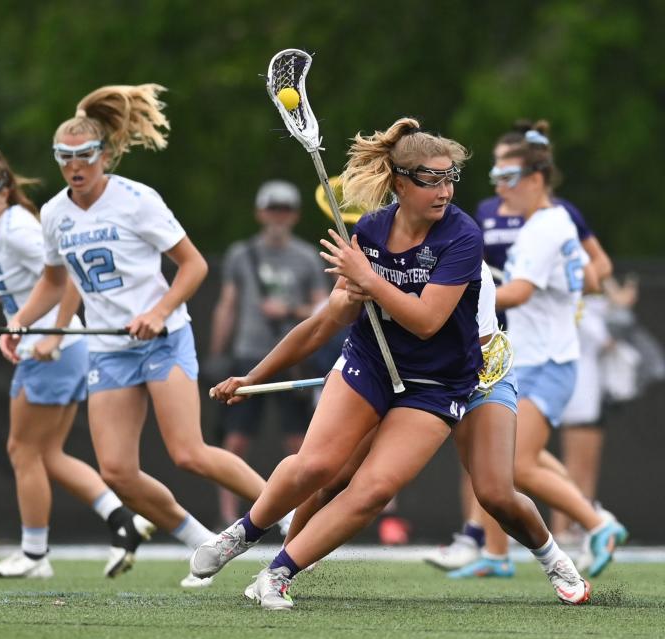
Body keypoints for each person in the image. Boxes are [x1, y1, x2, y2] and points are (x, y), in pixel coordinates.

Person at [189, 118, 590, 609]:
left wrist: (367, 277)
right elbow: (327, 321)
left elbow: (426, 321)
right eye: (431, 179)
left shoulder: (462, 236)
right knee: (320, 466)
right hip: (374, 363)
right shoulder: (371, 232)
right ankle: (247, 539)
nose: (445, 190)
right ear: (400, 182)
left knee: (483, 493)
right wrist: (255, 376)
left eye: (450, 178)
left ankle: (552, 557)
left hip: (455, 377)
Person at [0, 84, 278, 587]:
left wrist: (159, 309)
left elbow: (193, 266)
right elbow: (54, 282)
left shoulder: (136, 200)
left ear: (103, 155)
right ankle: (202, 546)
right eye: (64, 159)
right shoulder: (55, 213)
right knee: (117, 473)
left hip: (162, 338)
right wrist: (22, 323)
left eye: (84, 156)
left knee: (188, 452)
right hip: (109, 350)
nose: (74, 167)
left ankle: (287, 517)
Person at [0, 147, 153, 579]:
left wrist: (53, 333)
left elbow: (68, 276)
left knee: (22, 451)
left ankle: (35, 555)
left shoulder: (18, 227)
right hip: (54, 348)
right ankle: (122, 519)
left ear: (3, 191)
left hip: (54, 348)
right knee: (47, 454)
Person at [426, 119, 617, 571]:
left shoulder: (543, 228)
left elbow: (523, 291)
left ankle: (596, 523)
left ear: (536, 179)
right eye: (495, 178)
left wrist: (461, 288)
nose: (499, 188)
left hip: (544, 359)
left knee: (514, 466)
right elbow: (585, 279)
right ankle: (497, 553)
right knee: (500, 458)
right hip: (535, 355)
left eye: (507, 178)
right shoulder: (554, 221)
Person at [207, 179, 327, 526]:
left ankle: (303, 513)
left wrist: (289, 310)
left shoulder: (306, 256)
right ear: (261, 213)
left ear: (295, 215)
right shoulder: (241, 255)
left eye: (285, 209)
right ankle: (228, 515)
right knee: (236, 438)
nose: (279, 216)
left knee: (299, 440)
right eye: (273, 209)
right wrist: (217, 352)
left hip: (292, 359)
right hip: (249, 354)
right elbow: (227, 305)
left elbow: (324, 310)